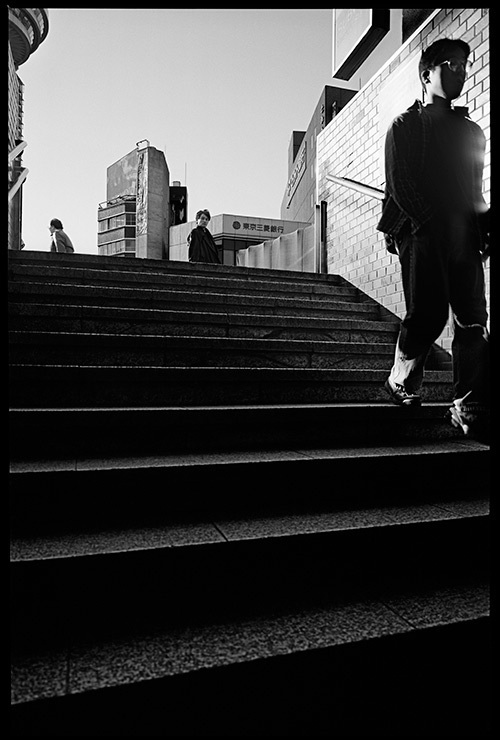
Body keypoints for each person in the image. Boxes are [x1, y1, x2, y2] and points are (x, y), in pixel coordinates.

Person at [377, 37, 490, 440]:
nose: (461, 71)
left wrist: (484, 228)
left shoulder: (471, 132)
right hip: (420, 231)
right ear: (427, 74)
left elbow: (475, 191)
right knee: (427, 315)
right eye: (451, 64)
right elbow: (400, 185)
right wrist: (428, 225)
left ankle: (468, 405)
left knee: (473, 319)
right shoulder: (405, 126)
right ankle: (402, 380)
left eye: (464, 65)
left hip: (464, 236)